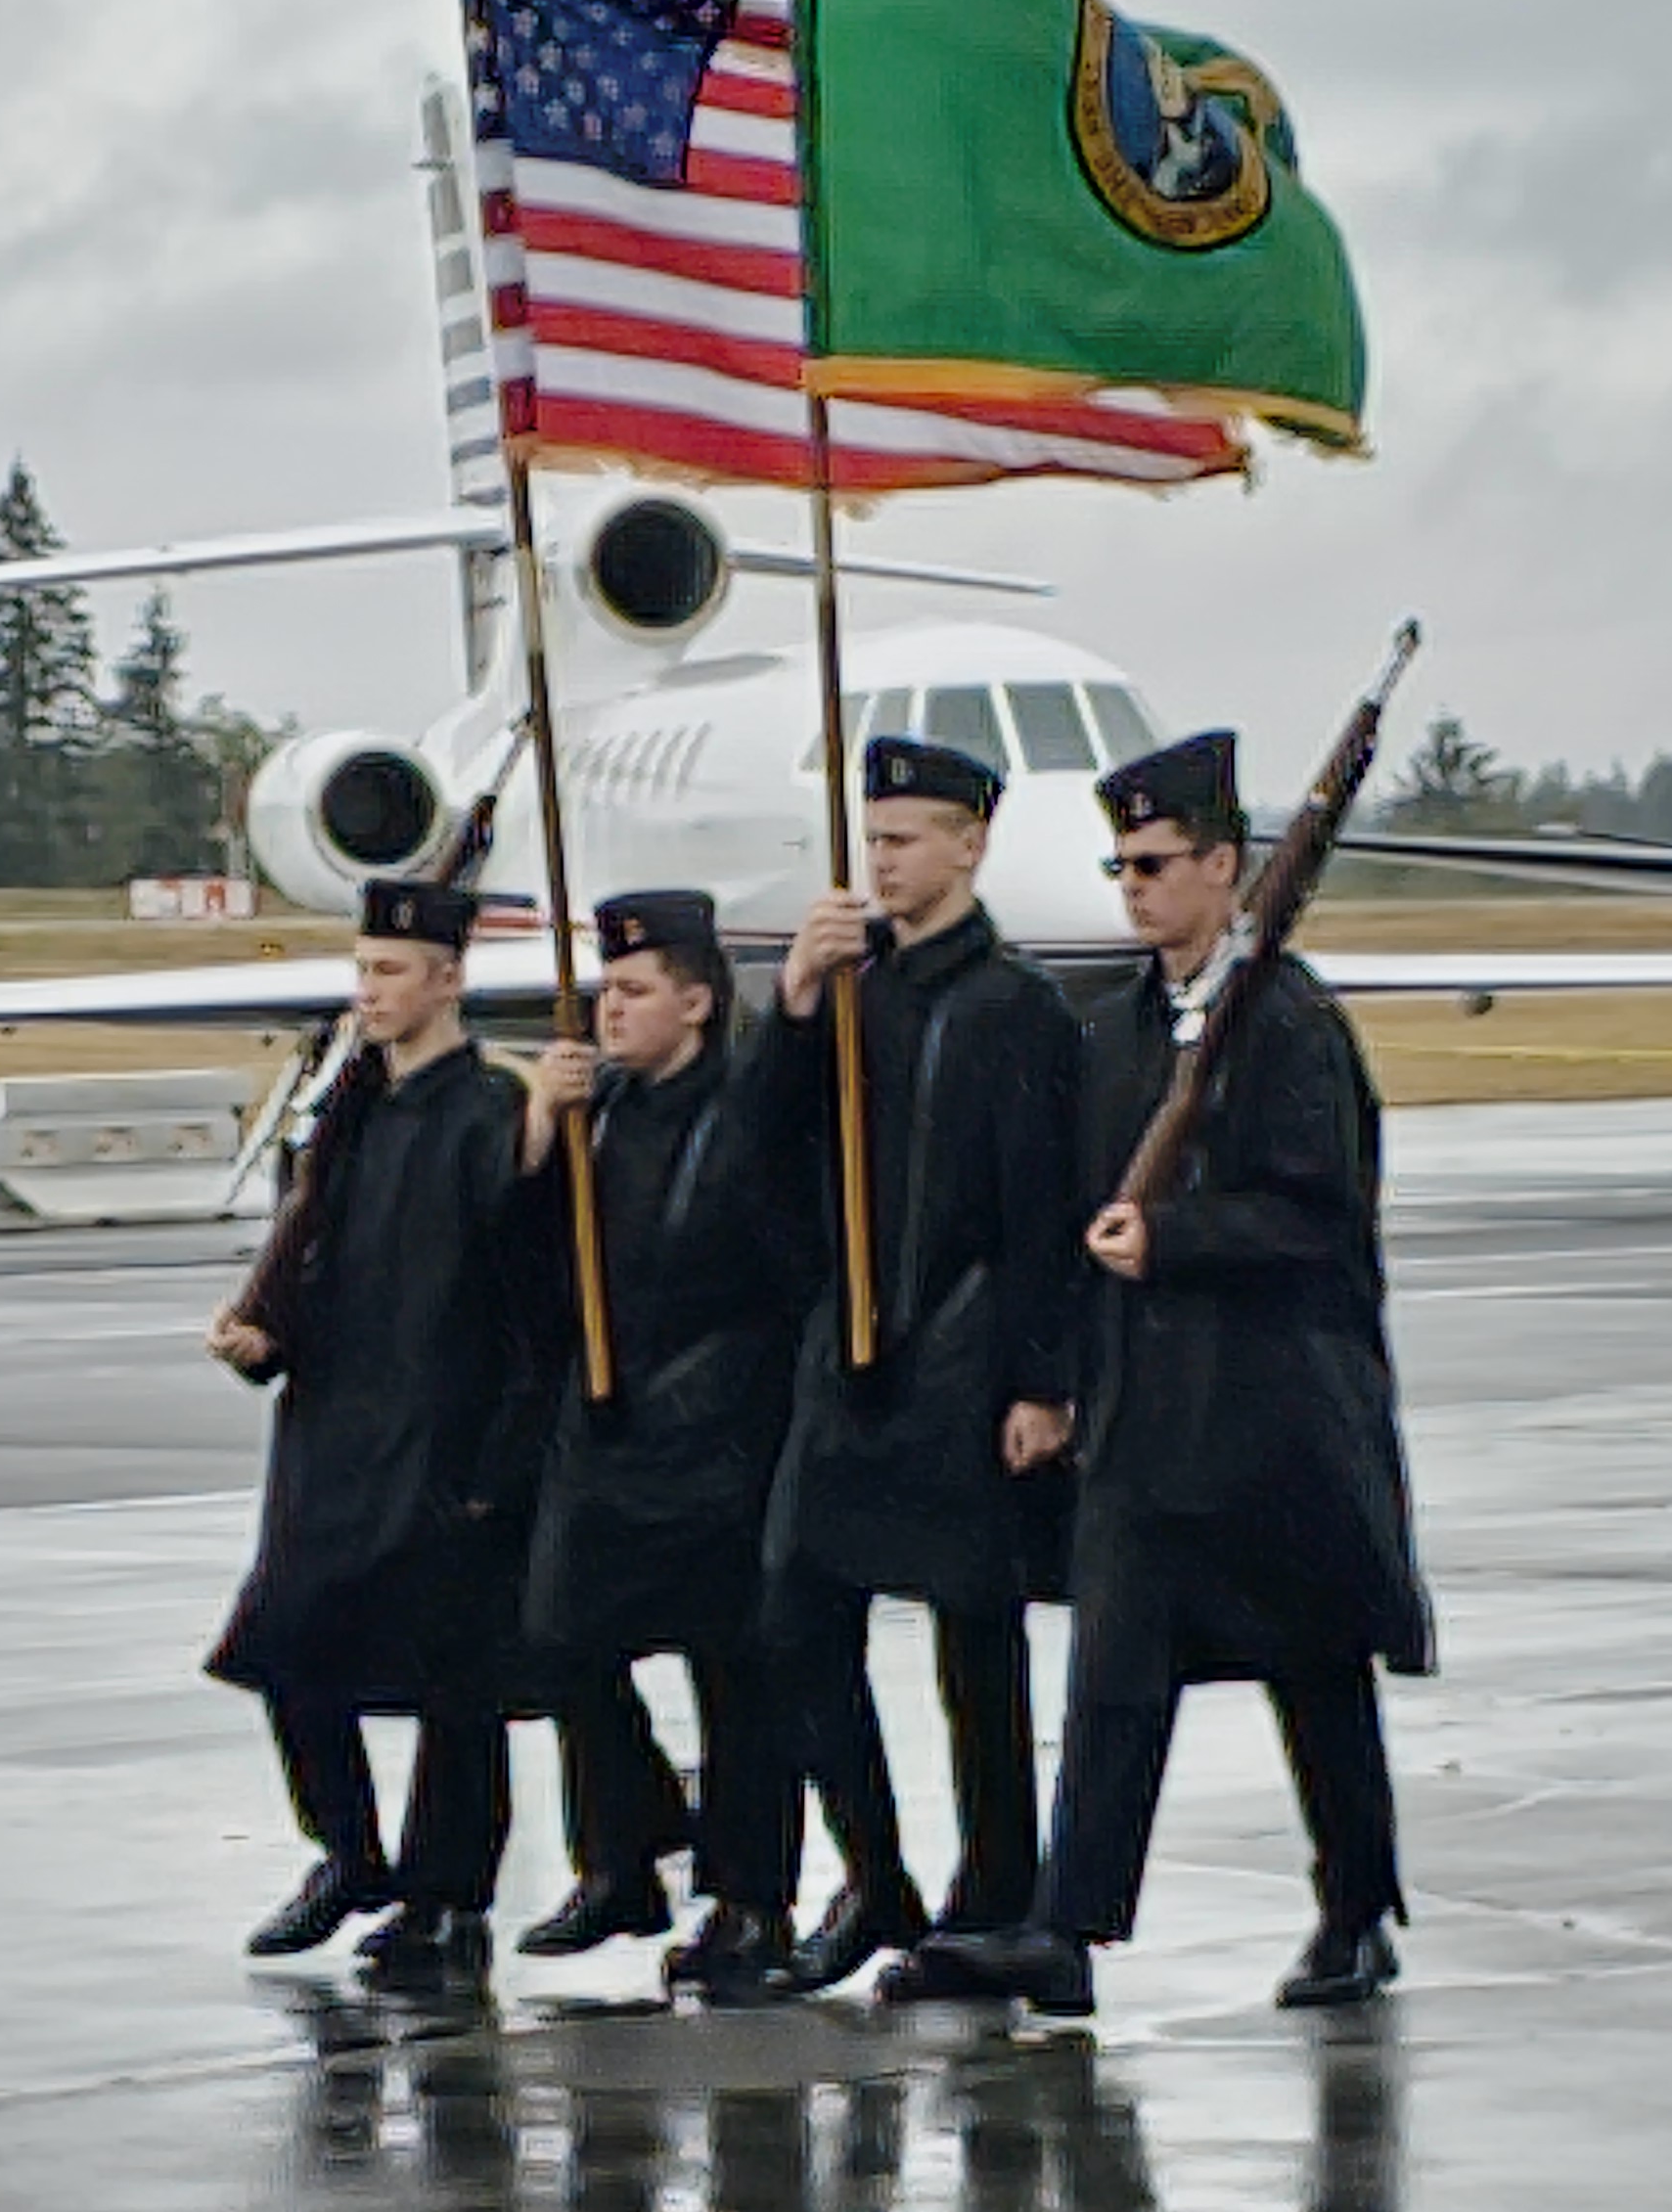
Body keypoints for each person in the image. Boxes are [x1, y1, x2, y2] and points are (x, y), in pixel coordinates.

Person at [889, 731, 1432, 2018]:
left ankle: (1358, 1911)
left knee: (1314, 1668)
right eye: (1116, 864)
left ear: (1224, 867)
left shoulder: (1290, 1027)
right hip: (1144, 1417)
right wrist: (1054, 1382)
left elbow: (1319, 1218)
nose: (1131, 888)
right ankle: (1067, 1931)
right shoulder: (1118, 1028)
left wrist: (1176, 1237)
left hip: (1276, 1417)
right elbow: (1072, 1217)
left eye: (1153, 863)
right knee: (1115, 1670)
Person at [203, 875, 590, 1989]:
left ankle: (444, 1897)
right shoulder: (353, 1113)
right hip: (335, 1421)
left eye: (387, 973)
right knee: (285, 1641)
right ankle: (349, 1853)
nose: (367, 994)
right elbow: (317, 1251)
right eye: (361, 971)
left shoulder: (487, 1112)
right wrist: (264, 1339)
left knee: (452, 1679)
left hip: (446, 1423)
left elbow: (520, 1257)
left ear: (447, 980)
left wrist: (539, 1136)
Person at [743, 734, 1083, 1992]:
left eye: (903, 840)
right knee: (792, 1612)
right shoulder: (851, 993)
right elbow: (761, 1155)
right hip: (850, 1349)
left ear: (968, 844)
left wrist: (1043, 1382)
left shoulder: (1018, 1008)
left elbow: (1047, 1208)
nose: (881, 863)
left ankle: (995, 1891)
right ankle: (871, 1877)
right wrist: (790, 1005)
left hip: (967, 1348)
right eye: (871, 841)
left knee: (973, 1642)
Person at [515, 888, 811, 1998]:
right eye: (605, 989)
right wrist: (541, 1134)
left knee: (735, 1673)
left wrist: (729, 1397)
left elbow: (782, 1272)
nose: (610, 1010)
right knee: (557, 1637)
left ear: (695, 1002)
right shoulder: (607, 1113)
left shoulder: (743, 1113)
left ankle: (749, 1900)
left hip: (719, 1429)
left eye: (634, 991)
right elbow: (531, 1265)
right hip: (608, 1423)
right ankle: (625, 1850)